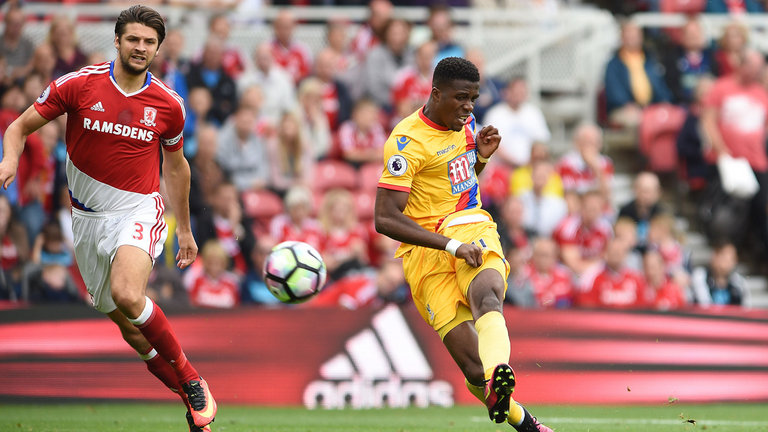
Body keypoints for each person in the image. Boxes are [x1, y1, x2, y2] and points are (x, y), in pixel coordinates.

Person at [0, 6, 216, 431]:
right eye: (133, 39)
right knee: (130, 328)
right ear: (116, 41)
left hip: (137, 208)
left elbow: (177, 168)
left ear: (158, 48)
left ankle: (191, 377)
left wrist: (185, 229)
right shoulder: (79, 84)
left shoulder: (169, 103)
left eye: (149, 42)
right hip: (86, 220)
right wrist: (9, 158)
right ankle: (194, 408)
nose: (141, 48)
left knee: (128, 293)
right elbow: (18, 127)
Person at [374, 57, 552, 432]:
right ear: (435, 93)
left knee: (488, 296)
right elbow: (386, 218)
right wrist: (450, 246)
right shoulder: (406, 143)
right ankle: (522, 417)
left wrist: (480, 160)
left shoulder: (465, 123)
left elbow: (459, 184)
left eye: (473, 98)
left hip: (470, 224)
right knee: (473, 367)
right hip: (428, 252)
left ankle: (500, 370)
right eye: (460, 98)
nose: (469, 107)